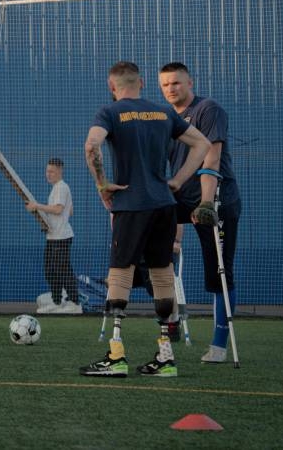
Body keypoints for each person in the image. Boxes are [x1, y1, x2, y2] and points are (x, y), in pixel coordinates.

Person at [81, 61, 213, 378]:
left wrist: (102, 184)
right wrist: (178, 180)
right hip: (164, 206)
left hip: (131, 205)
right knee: (163, 274)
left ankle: (116, 356)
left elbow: (92, 145)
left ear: (112, 87)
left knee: (120, 273)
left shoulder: (109, 112)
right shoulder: (164, 112)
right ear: (141, 83)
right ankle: (165, 357)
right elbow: (203, 144)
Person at [159, 61, 241, 363]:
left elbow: (212, 157)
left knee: (219, 271)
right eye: (165, 84)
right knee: (150, 230)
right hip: (182, 197)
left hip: (217, 200)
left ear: (190, 83)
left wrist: (205, 202)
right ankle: (170, 315)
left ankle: (219, 344)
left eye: (176, 83)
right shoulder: (165, 118)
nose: (170, 89)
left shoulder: (208, 110)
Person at [25, 158, 81, 314]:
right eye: (47, 171)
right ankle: (57, 302)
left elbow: (58, 209)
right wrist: (49, 221)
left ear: (60, 171)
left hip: (61, 237)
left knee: (63, 269)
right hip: (53, 236)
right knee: (51, 270)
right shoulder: (58, 188)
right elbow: (70, 210)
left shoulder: (61, 187)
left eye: (52, 171)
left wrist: (36, 206)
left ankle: (75, 303)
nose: (48, 174)